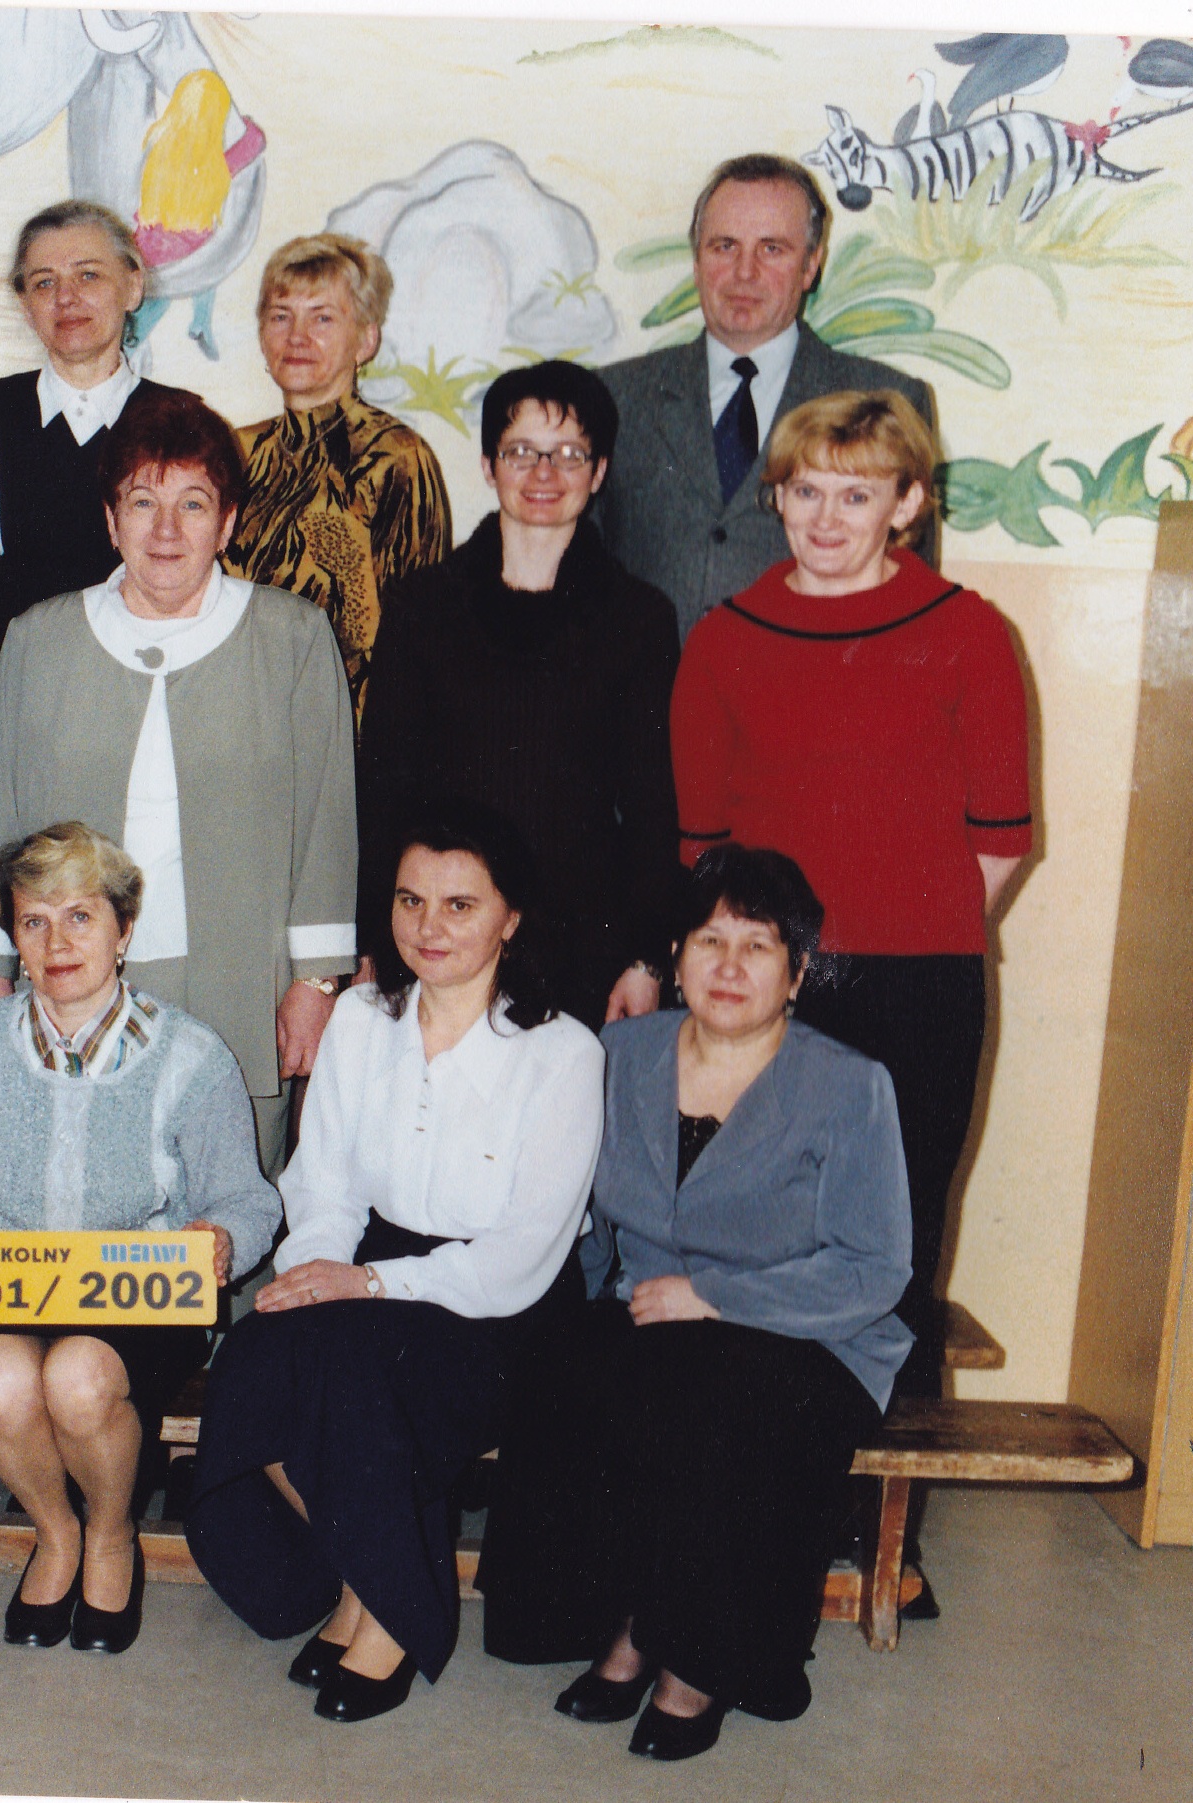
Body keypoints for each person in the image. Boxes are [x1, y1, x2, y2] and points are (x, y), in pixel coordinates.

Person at [479, 846, 911, 1760]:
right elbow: (584, 1211)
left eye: (757, 945)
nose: (728, 965)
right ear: (675, 956)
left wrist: (714, 1295)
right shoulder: (620, 1052)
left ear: (797, 972)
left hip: (807, 1331)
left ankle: (697, 1658)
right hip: (651, 1308)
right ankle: (625, 1615)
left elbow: (873, 1267)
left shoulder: (848, 1084)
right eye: (709, 939)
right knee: (564, 1365)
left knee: (723, 1399)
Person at [186, 808, 602, 1722]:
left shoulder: (562, 1051)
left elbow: (524, 1252)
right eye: (411, 900)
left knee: (364, 1373)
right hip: (368, 1260)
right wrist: (317, 1273)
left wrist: (368, 1285)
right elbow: (324, 1181)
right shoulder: (361, 1020)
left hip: (504, 1305)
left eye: (460, 905)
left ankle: (389, 1615)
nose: (429, 926)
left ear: (510, 917)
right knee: (260, 1356)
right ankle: (357, 1570)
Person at [671, 389, 1030, 1390]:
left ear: (905, 503)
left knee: (895, 1235)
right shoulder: (723, 638)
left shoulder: (967, 633)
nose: (825, 518)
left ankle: (883, 1465)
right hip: (763, 989)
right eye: (805, 492)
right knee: (757, 1229)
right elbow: (702, 851)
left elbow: (999, 846)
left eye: (856, 494)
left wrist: (902, 925)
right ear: (776, 499)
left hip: (920, 985)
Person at [0, 823, 281, 1655]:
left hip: (136, 1291)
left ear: (122, 929)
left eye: (79, 917)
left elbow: (247, 1200)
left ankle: (108, 1532)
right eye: (33, 921)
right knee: (0, 1383)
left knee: (77, 1377)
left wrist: (221, 1238)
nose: (56, 942)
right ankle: (55, 1531)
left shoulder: (194, 1055)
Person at [0, 387, 358, 1172]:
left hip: (240, 984)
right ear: (111, 520)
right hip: (70, 984)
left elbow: (327, 821)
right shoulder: (38, 638)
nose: (166, 530)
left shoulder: (292, 637)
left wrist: (315, 983)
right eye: (142, 502)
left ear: (228, 522)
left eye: (193, 503)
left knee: (225, 1201)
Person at [357, 360, 680, 1028]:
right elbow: (384, 790)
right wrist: (369, 944)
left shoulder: (638, 618)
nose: (543, 473)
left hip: (584, 947)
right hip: (441, 940)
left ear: (598, 472)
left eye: (568, 454)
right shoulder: (421, 605)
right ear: (487, 465)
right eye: (521, 451)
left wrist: (646, 959)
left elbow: (651, 806)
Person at [595, 154, 937, 638]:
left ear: (811, 265)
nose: (744, 272)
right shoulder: (614, 397)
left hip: (811, 682)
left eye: (772, 249)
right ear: (697, 261)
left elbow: (911, 607)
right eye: (724, 246)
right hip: (646, 686)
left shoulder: (888, 402)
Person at [0, 200, 189, 637]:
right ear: (25, 305)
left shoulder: (181, 421)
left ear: (132, 287)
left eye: (88, 275)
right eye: (44, 282)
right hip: (15, 666)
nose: (66, 298)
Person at [225, 233, 451, 713]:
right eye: (280, 316)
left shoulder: (396, 458)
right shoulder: (231, 452)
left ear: (366, 340)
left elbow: (422, 641)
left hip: (349, 730)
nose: (297, 336)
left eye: (322, 317)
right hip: (235, 718)